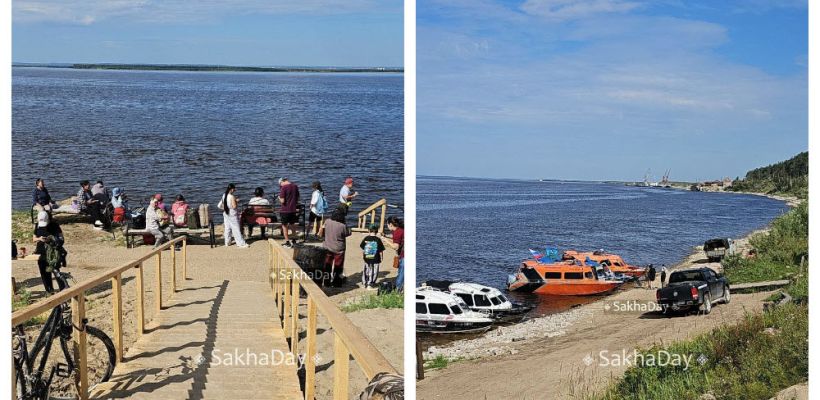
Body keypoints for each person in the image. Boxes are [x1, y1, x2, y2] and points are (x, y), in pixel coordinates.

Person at [33, 211, 67, 293]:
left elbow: (61, 239)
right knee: (44, 273)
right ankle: (49, 291)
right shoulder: (37, 225)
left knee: (56, 271)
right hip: (41, 252)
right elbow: (34, 239)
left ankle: (63, 290)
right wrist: (39, 239)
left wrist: (53, 240)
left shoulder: (54, 225)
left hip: (53, 253)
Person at [323, 205, 351, 286]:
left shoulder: (327, 221)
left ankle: (326, 282)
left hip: (327, 247)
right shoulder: (342, 226)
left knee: (327, 265)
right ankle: (336, 282)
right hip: (339, 249)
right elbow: (348, 233)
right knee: (338, 266)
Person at [219, 183, 248, 248]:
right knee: (236, 228)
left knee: (227, 228)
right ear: (232, 189)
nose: (235, 190)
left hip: (225, 214)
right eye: (234, 189)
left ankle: (227, 242)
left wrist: (225, 208)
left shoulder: (224, 195)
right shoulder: (232, 197)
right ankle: (240, 243)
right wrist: (236, 201)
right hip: (232, 214)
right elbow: (234, 206)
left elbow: (219, 205)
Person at [360, 223, 385, 289]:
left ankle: (364, 282)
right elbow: (380, 250)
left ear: (369, 230)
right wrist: (382, 257)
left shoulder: (366, 238)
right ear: (376, 231)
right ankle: (370, 283)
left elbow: (363, 248)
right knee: (374, 270)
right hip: (375, 258)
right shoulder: (378, 239)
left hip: (367, 257)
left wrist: (363, 255)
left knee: (366, 269)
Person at [383, 216, 404, 291]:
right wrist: (388, 242)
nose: (387, 226)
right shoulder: (400, 230)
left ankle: (398, 290)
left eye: (387, 225)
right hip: (402, 254)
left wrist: (386, 241)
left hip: (404, 255)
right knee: (401, 272)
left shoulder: (397, 232)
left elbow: (396, 247)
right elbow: (398, 242)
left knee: (401, 273)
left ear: (390, 224)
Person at [278, 178, 300, 248]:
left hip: (285, 210)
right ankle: (294, 241)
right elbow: (298, 198)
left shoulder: (283, 188)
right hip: (293, 210)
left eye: (280, 184)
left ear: (282, 182)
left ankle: (287, 242)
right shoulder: (295, 186)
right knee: (292, 225)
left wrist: (279, 197)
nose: (280, 186)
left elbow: (282, 201)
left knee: (284, 226)